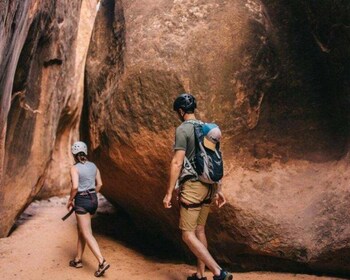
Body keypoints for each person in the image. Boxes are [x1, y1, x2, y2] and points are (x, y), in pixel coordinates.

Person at [163, 93, 233, 280]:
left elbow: (177, 163)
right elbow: (215, 160)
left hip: (193, 187)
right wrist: (218, 189)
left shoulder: (182, 130)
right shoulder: (206, 128)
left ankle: (218, 272)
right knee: (200, 229)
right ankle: (200, 275)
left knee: (187, 235)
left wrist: (169, 192)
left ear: (180, 111)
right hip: (209, 187)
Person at [66, 141, 110, 277]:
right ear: (85, 152)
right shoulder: (94, 166)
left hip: (82, 200)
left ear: (74, 154)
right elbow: (100, 184)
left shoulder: (74, 168)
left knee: (86, 232)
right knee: (81, 230)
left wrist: (70, 199)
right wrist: (92, 194)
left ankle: (101, 261)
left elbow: (75, 187)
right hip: (93, 200)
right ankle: (78, 260)